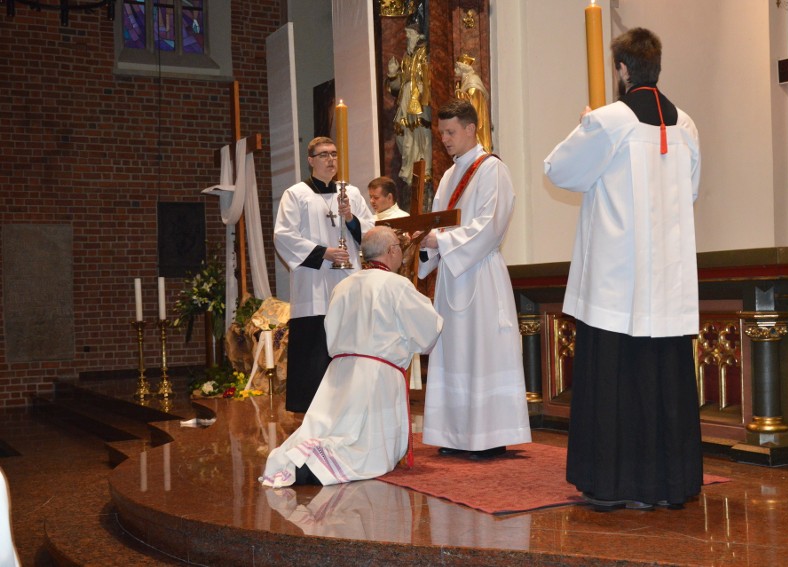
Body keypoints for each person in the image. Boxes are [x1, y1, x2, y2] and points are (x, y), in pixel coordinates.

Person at [543, 28, 703, 511]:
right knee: (662, 380)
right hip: (667, 282)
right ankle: (667, 484)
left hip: (616, 282)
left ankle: (613, 485)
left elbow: (557, 170)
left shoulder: (609, 120)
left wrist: (584, 123)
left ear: (622, 70)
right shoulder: (686, 125)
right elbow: (691, 190)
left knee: (614, 381)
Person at [260, 226, 443, 487]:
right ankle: (313, 469)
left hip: (339, 374)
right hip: (376, 378)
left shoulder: (344, 284)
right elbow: (428, 330)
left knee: (330, 428)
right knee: (366, 447)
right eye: (398, 249)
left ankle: (298, 459)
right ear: (392, 252)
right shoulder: (396, 285)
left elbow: (330, 331)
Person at [417, 99, 531, 461]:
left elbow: (491, 226)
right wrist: (425, 242)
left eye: (451, 132)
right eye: (442, 133)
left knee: (481, 351)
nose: (445, 140)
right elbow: (439, 222)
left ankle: (489, 434)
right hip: (453, 277)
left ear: (471, 129)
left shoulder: (492, 170)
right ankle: (455, 432)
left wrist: (443, 241)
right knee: (453, 351)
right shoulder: (450, 176)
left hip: (480, 275)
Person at [273, 136, 375, 413]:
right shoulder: (296, 195)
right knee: (314, 352)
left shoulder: (350, 194)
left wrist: (352, 219)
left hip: (347, 282)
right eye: (323, 155)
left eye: (333, 154)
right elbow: (283, 236)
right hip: (314, 286)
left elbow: (373, 233)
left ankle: (350, 406)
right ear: (310, 161)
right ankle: (311, 410)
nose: (330, 160)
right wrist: (323, 253)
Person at [386, 15, 432, 186]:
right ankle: (409, 168)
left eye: (409, 33)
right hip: (405, 97)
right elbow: (398, 86)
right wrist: (393, 74)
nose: (406, 37)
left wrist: (422, 88)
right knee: (402, 132)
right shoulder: (407, 56)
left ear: (418, 35)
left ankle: (424, 168)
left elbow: (430, 76)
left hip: (419, 97)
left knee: (421, 132)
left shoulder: (424, 52)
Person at [454, 54, 492, 153]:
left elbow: (472, 110)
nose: (454, 70)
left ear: (463, 68)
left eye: (456, 67)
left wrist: (459, 94)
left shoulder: (473, 84)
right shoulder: (465, 82)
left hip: (475, 127)